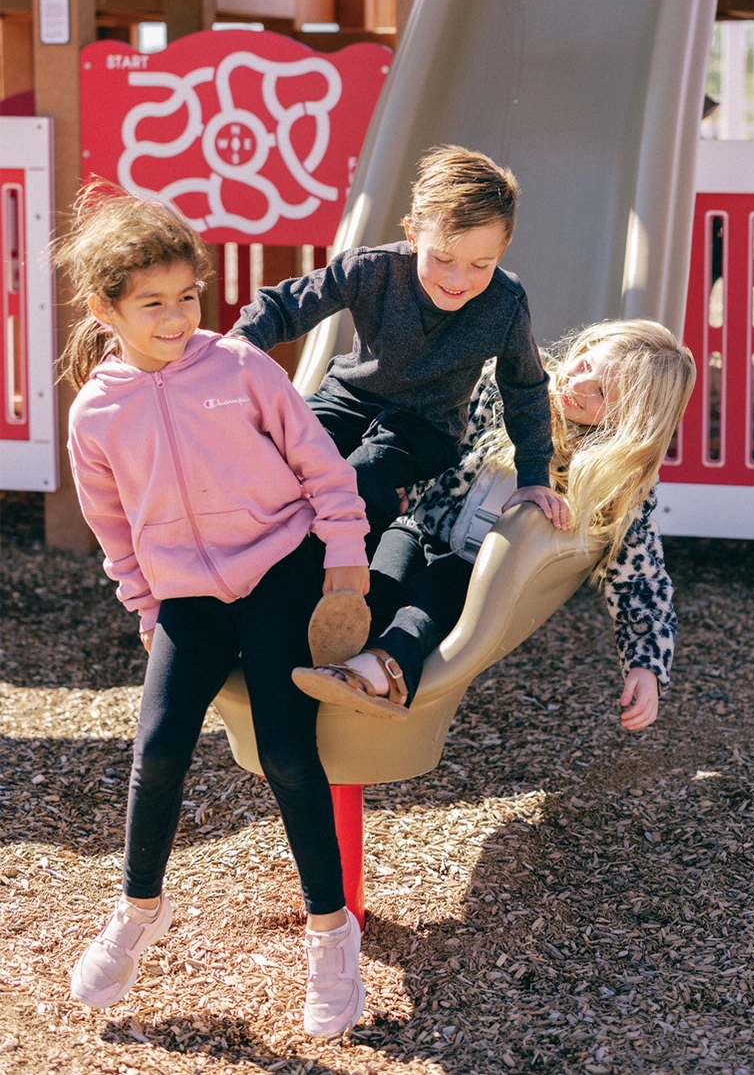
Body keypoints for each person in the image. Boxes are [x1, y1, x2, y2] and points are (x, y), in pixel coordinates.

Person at [58, 188, 371, 1039]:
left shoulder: (238, 368)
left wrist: (344, 561)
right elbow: (113, 529)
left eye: (186, 298)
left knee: (285, 752)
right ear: (106, 310)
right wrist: (148, 608)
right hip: (188, 597)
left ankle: (330, 933)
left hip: (283, 571)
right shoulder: (97, 412)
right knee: (155, 752)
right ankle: (137, 910)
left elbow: (321, 467)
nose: (174, 317)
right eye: (151, 305)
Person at [231, 144, 564, 658]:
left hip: (426, 426)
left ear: (504, 251)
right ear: (413, 235)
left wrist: (535, 474)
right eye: (443, 259)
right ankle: (258, 581)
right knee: (287, 462)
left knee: (366, 475)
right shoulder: (372, 270)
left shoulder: (503, 302)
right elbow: (284, 305)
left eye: (481, 264)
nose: (459, 280)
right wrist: (232, 353)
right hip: (348, 399)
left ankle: (343, 597)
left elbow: (525, 387)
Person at [292, 320, 695, 732]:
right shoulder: (510, 387)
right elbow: (432, 427)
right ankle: (332, 665)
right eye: (586, 364)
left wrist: (646, 666)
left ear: (629, 418)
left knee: (427, 600)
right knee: (380, 581)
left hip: (479, 567)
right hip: (418, 526)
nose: (581, 384)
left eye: (603, 393)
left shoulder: (614, 477)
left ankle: (385, 670)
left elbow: (640, 578)